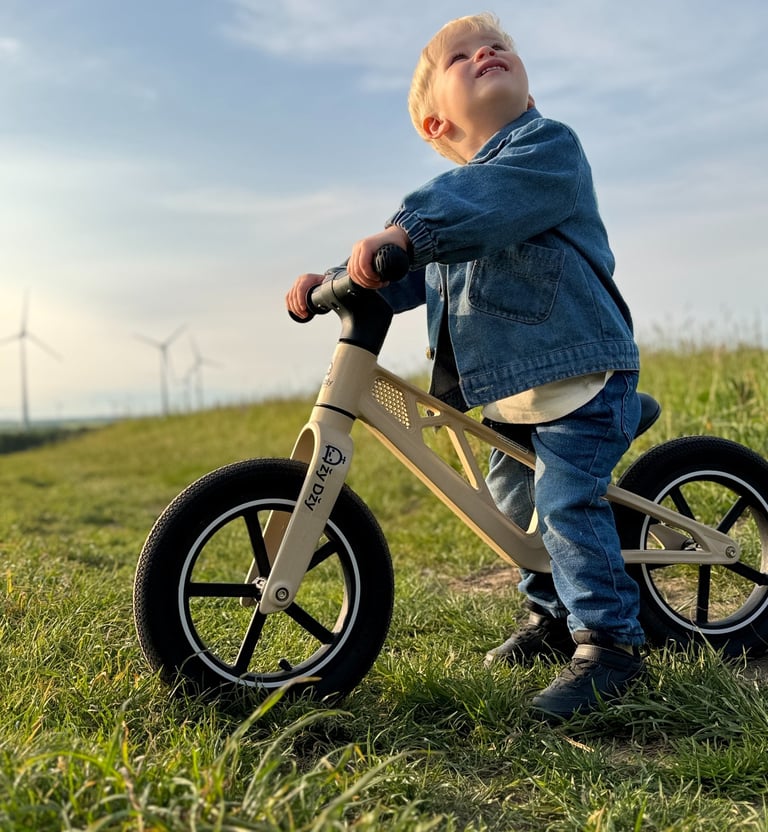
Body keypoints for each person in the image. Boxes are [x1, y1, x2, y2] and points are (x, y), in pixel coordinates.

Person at [286, 12, 646, 720]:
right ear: (435, 125)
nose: (486, 51)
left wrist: (405, 231)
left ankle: (610, 647)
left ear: (528, 84)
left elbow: (471, 206)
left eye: (500, 46)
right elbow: (405, 272)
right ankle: (551, 619)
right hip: (512, 394)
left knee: (566, 504)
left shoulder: (545, 151)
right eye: (461, 56)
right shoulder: (450, 217)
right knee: (516, 512)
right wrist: (335, 279)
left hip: (579, 375)